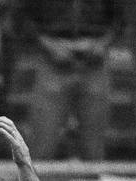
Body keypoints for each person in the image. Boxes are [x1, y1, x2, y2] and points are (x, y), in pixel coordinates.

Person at [7, 0, 126, 160]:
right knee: (42, 145)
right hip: (52, 61)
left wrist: (104, 43)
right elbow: (21, 17)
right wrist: (47, 44)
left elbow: (121, 17)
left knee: (94, 150)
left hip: (94, 62)